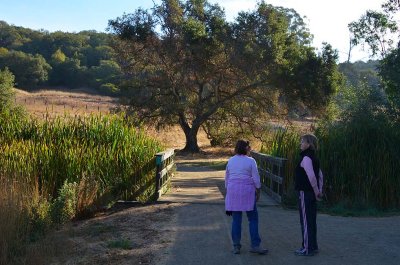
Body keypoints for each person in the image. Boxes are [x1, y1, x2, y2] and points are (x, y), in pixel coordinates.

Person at [225, 139, 268, 255]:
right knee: (253, 218)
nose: (250, 149)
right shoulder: (251, 161)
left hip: (233, 190)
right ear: (246, 148)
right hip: (247, 191)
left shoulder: (231, 160)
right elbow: (256, 178)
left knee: (236, 220)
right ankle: (255, 245)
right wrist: (258, 190)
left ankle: (236, 246)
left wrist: (228, 191)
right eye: (249, 147)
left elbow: (227, 178)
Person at [294, 134, 324, 256]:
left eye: (302, 141)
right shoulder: (314, 157)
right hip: (311, 193)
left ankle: (307, 248)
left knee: (306, 221)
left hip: (305, 193)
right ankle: (313, 247)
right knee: (311, 221)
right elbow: (320, 175)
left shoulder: (306, 158)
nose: (300, 143)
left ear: (309, 144)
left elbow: (312, 176)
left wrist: (317, 191)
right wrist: (318, 191)